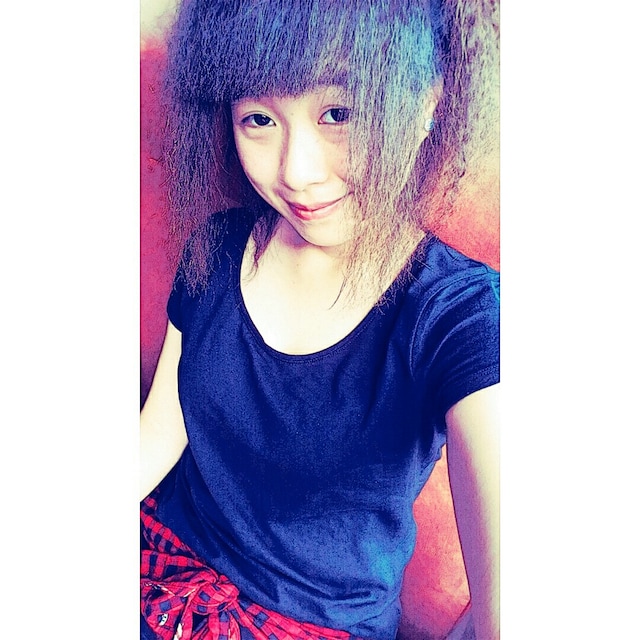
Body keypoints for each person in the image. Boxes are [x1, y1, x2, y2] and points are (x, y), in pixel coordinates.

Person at [140, 1, 500, 639]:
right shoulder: (217, 247)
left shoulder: (461, 316)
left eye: (339, 113)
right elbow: (157, 436)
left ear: (427, 102)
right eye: (258, 119)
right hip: (161, 567)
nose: (296, 173)